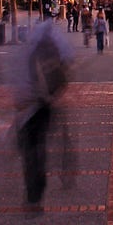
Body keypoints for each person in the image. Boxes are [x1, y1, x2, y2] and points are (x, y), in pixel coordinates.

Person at [12, 20, 74, 210]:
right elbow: (64, 69)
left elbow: (20, 79)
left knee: (30, 149)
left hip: (30, 106)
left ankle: (33, 195)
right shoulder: (52, 48)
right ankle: (37, 192)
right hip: (46, 104)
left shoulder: (29, 50)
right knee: (40, 146)